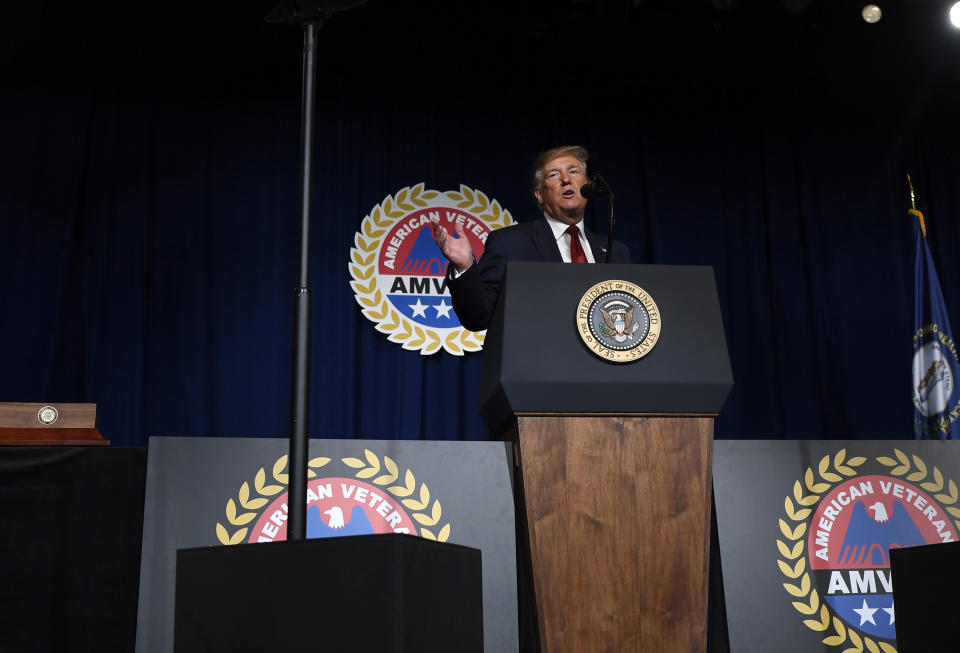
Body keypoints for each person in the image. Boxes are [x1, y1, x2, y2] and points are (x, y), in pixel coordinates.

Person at [429, 145, 631, 331]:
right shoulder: (509, 243)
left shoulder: (616, 251)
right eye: (554, 175)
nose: (566, 179)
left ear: (587, 186)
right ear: (539, 195)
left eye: (573, 171)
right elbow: (479, 318)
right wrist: (465, 267)